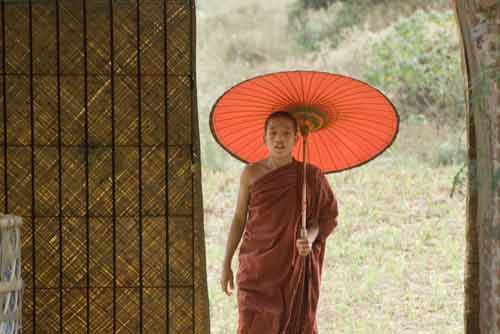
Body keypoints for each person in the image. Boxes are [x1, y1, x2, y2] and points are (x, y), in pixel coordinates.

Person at [220, 110, 339, 334]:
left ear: (296, 138)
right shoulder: (251, 173)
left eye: (286, 133)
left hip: (292, 266)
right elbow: (238, 218)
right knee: (252, 323)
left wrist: (309, 239)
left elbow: (323, 218)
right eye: (273, 132)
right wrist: (226, 263)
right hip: (256, 267)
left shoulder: (310, 176)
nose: (279, 139)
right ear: (263, 137)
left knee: (292, 324)